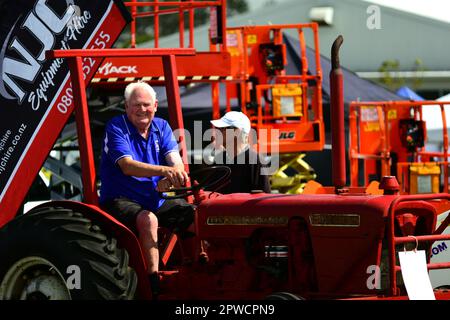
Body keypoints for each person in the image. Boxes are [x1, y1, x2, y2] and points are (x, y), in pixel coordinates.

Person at [99, 81, 194, 298]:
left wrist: (173, 175)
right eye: (136, 105)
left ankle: (200, 268)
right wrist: (165, 171)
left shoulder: (161, 126)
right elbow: (127, 166)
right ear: (126, 106)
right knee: (148, 220)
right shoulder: (116, 127)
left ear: (156, 105)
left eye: (146, 105)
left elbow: (175, 161)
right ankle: (154, 284)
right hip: (120, 199)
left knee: (195, 214)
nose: (142, 110)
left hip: (154, 197)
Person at [210, 111, 271, 194]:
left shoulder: (255, 161)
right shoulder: (219, 159)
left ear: (237, 131)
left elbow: (264, 202)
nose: (216, 132)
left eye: (222, 128)